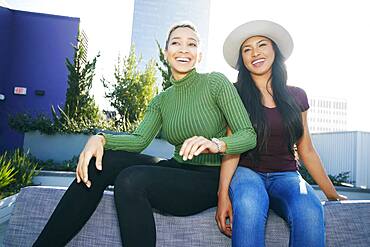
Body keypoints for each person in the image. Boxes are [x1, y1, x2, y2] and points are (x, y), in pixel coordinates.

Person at [33, 22, 256, 247]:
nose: (184, 49)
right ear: (166, 52)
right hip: (177, 168)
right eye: (176, 43)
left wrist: (215, 144)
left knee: (131, 180)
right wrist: (100, 138)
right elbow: (139, 140)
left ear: (199, 55)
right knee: (103, 162)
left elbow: (248, 135)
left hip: (209, 178)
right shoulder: (161, 100)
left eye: (192, 44)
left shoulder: (216, 83)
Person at [215, 20, 347, 247]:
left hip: (286, 175)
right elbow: (231, 147)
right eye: (247, 49)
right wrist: (222, 195)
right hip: (247, 173)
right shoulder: (234, 93)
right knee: (249, 203)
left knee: (310, 209)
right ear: (242, 60)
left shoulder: (297, 96)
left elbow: (306, 150)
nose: (255, 53)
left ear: (274, 49)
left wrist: (331, 193)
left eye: (262, 45)